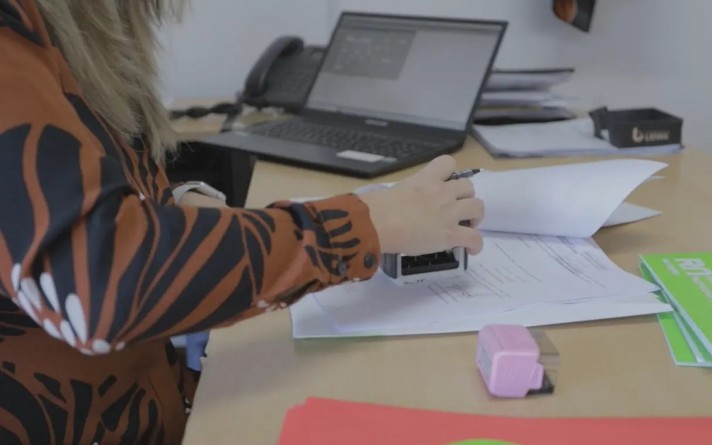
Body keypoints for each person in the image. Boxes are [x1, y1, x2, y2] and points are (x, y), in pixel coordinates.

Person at [0, 1, 484, 443]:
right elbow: (99, 284)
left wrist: (179, 207)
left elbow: (78, 185)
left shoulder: (75, 24)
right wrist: (367, 223)